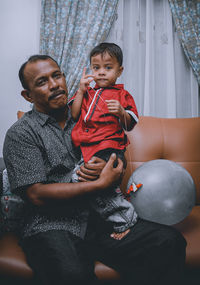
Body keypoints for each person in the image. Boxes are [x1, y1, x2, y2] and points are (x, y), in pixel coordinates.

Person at [3, 54, 186, 285]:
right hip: (51, 226)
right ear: (28, 95)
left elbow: (116, 152)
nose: (54, 84)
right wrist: (98, 184)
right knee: (72, 274)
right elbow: (36, 194)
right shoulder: (21, 134)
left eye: (57, 75)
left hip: (102, 221)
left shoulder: (88, 113)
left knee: (169, 242)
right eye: (42, 81)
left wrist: (114, 167)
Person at [70, 42, 139, 239]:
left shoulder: (122, 95)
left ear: (119, 70)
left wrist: (121, 112)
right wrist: (81, 91)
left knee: (84, 179)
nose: (101, 73)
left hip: (109, 147)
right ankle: (109, 213)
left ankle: (125, 220)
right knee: (81, 182)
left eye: (108, 68)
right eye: (96, 67)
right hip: (85, 149)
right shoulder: (87, 93)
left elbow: (130, 124)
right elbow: (74, 115)